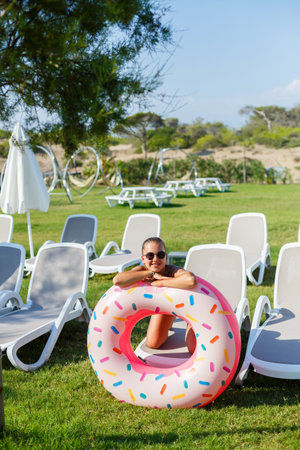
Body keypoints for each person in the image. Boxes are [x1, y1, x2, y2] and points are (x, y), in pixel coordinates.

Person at [113, 237, 197, 353]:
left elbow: (191, 281)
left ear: (165, 256)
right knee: (153, 343)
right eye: (150, 256)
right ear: (143, 259)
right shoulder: (141, 270)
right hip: (165, 307)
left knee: (192, 347)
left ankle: (187, 322)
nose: (155, 259)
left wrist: (161, 281)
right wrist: (150, 273)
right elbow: (118, 280)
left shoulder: (172, 271)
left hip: (188, 308)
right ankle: (169, 320)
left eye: (160, 255)